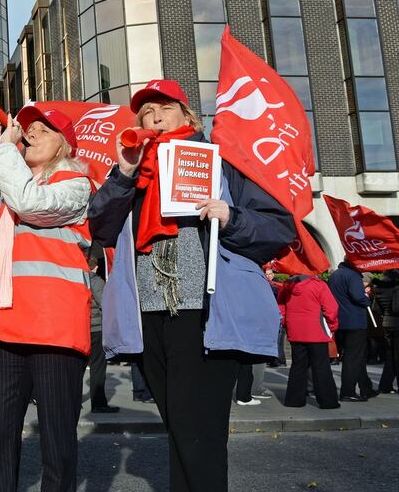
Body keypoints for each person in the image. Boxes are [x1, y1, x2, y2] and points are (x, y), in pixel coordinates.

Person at [88, 80, 295, 492]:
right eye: (145, 113)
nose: (154, 118)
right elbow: (100, 228)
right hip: (147, 315)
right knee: (182, 428)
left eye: (163, 108)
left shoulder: (224, 164)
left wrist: (231, 217)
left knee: (198, 429)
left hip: (205, 312)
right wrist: (124, 173)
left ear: (188, 116)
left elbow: (278, 228)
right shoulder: (134, 176)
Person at [0, 105, 93, 492]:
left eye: (42, 130)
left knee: (57, 439)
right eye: (28, 130)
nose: (29, 135)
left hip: (53, 328)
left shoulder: (74, 183)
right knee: (0, 435)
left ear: (64, 145)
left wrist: (4, 149)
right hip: (5, 325)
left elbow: (31, 204)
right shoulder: (0, 204)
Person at [278, 274, 340, 409]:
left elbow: (281, 306)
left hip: (295, 330)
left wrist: (286, 322)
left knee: (298, 366)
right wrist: (333, 325)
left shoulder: (288, 285)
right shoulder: (319, 285)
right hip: (316, 330)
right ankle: (328, 401)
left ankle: (294, 400)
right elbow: (331, 308)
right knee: (321, 367)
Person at [328, 261, 378, 401]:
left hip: (340, 320)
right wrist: (366, 299)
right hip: (354, 321)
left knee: (356, 357)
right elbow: (357, 296)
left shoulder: (335, 275)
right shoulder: (353, 275)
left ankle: (366, 387)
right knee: (353, 358)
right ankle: (348, 392)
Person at [86, 248, 119, 414]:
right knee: (98, 367)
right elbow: (104, 304)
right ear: (96, 267)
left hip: (82, 329)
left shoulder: (78, 279)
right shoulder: (96, 281)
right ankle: (98, 403)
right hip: (97, 329)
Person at [376, 269, 399, 393]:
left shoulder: (380, 288)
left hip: (386, 323)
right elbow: (396, 308)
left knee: (390, 355)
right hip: (396, 323)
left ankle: (385, 385)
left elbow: (376, 309)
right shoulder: (396, 288)